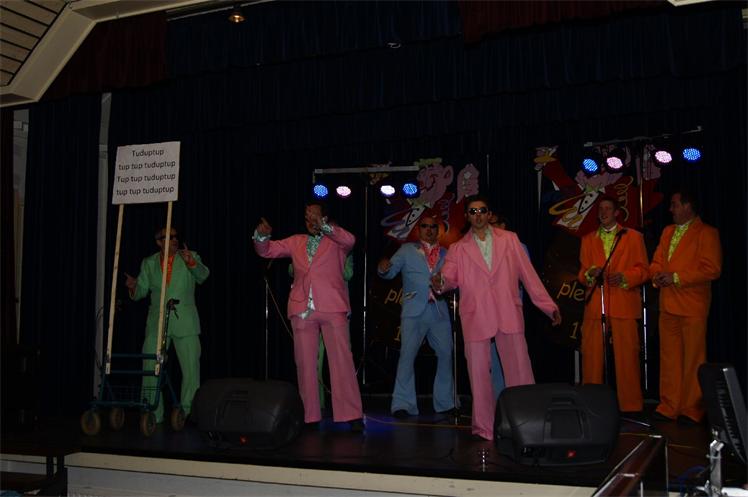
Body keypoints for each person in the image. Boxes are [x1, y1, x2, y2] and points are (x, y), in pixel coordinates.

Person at [433, 195, 561, 440]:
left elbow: (529, 276)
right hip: (476, 316)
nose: (478, 215)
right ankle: (484, 428)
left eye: (482, 210)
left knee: (520, 371)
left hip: (507, 312)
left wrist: (548, 306)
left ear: (489, 214)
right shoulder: (458, 248)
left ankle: (528, 422)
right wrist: (439, 282)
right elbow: (448, 278)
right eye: (473, 211)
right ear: (467, 216)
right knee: (478, 375)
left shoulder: (510, 239)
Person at [253, 201, 364, 431]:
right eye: (307, 217)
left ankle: (350, 414)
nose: (310, 220)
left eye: (314, 215)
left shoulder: (337, 241)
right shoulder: (296, 241)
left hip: (332, 306)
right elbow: (266, 251)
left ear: (324, 217)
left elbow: (351, 240)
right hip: (302, 308)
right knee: (305, 364)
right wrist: (262, 236)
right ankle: (309, 415)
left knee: (341, 360)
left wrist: (324, 226)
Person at [650, 190, 721, 424]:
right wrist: (656, 275)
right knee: (669, 358)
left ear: (688, 206)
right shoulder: (667, 231)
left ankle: (692, 409)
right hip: (668, 304)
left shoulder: (707, 233)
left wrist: (676, 277)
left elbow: (712, 269)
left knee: (693, 360)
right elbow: (656, 261)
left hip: (692, 306)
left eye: (675, 205)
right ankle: (669, 405)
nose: (670, 209)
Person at [377, 213, 458, 418]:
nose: (429, 229)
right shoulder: (407, 250)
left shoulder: (447, 253)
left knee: (446, 355)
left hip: (439, 310)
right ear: (418, 229)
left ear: (438, 231)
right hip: (414, 310)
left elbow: (455, 279)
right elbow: (390, 272)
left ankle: (446, 403)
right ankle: (402, 404)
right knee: (407, 356)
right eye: (425, 226)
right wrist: (383, 268)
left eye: (433, 226)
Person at [125, 227, 209, 423]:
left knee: (190, 368)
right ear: (158, 241)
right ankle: (152, 411)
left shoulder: (190, 255)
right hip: (158, 321)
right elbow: (141, 291)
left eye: (175, 236)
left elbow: (203, 275)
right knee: (150, 365)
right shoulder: (149, 263)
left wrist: (191, 263)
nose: (174, 239)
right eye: (168, 237)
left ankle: (188, 411)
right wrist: (134, 287)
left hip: (185, 320)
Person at [578, 196, 649, 413]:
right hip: (595, 305)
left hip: (624, 303)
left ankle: (630, 405)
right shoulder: (588, 239)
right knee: (591, 356)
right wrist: (590, 274)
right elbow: (582, 273)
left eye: (608, 208)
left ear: (617, 212)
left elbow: (644, 270)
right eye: (601, 209)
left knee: (627, 356)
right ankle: (591, 405)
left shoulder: (633, 237)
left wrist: (625, 277)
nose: (604, 212)